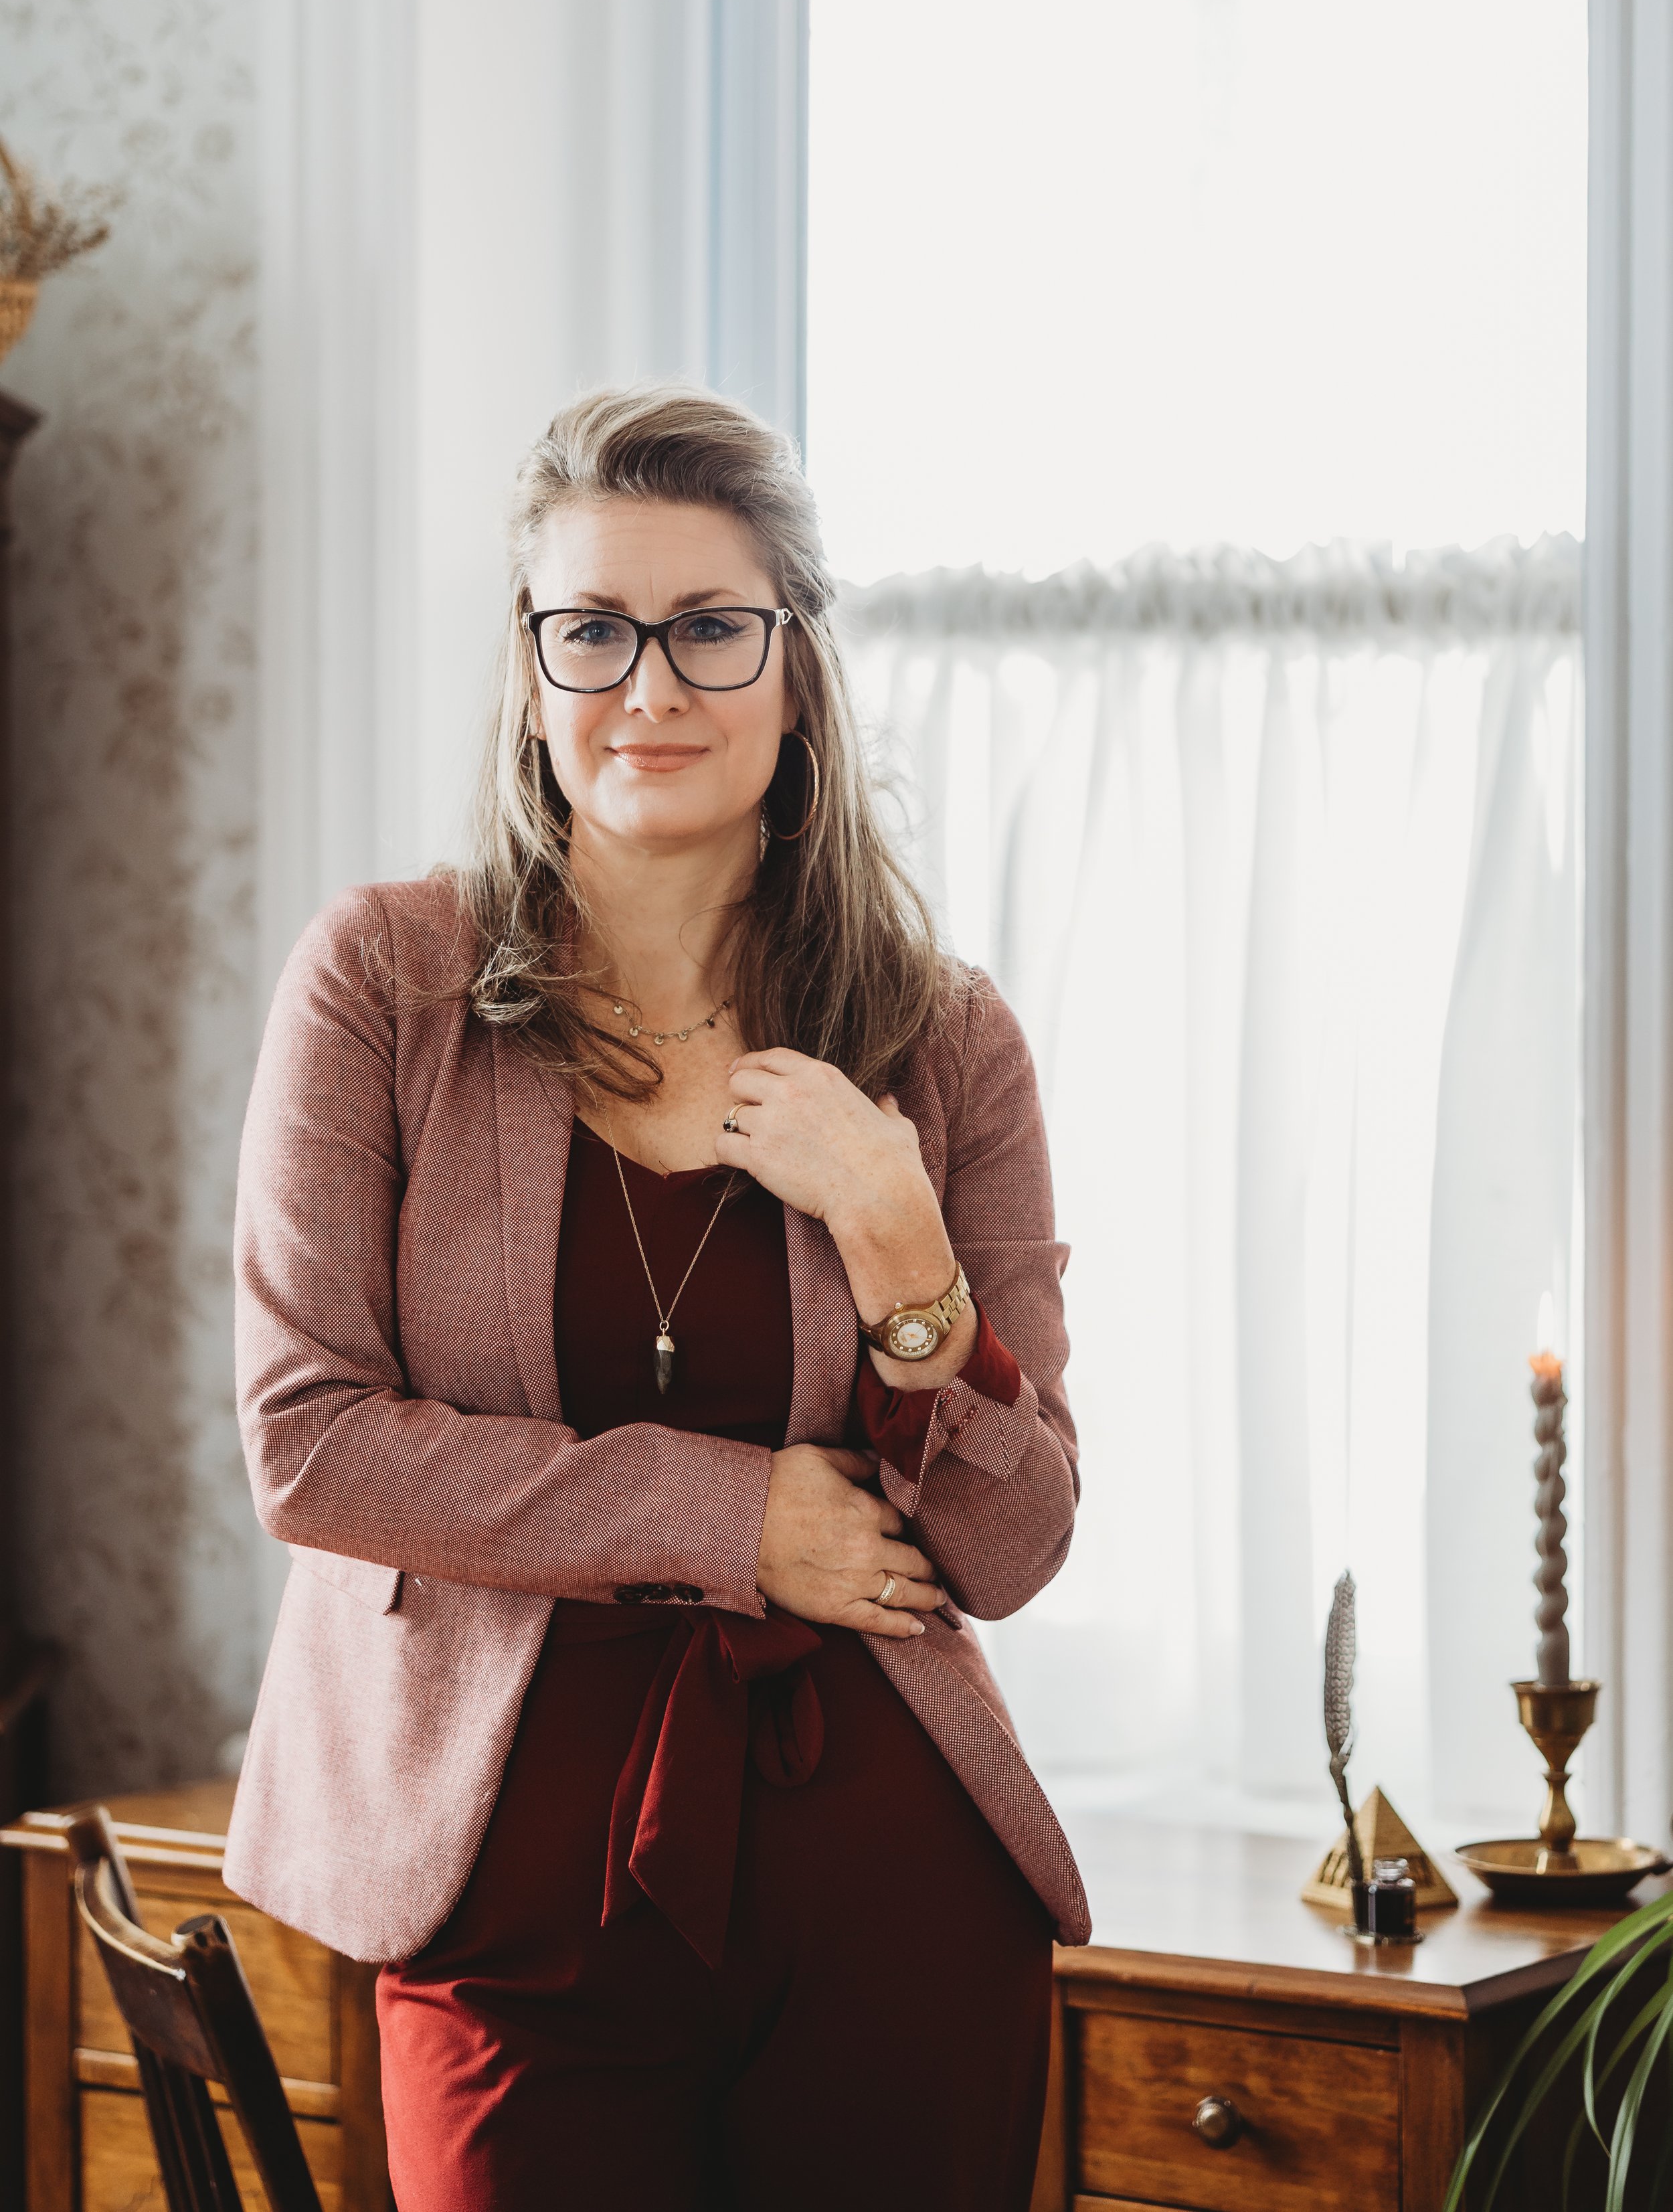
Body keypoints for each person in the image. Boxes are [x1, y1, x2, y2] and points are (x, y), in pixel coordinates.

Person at [226, 386, 1088, 2211]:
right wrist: (732, 1518)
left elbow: (1009, 1549)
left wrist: (902, 1246)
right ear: (531, 671)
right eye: (591, 629)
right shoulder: (383, 983)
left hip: (889, 1890)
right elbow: (310, 1448)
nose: (650, 688)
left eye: (710, 627)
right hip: (504, 1882)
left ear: (794, 664)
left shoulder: (946, 1040)